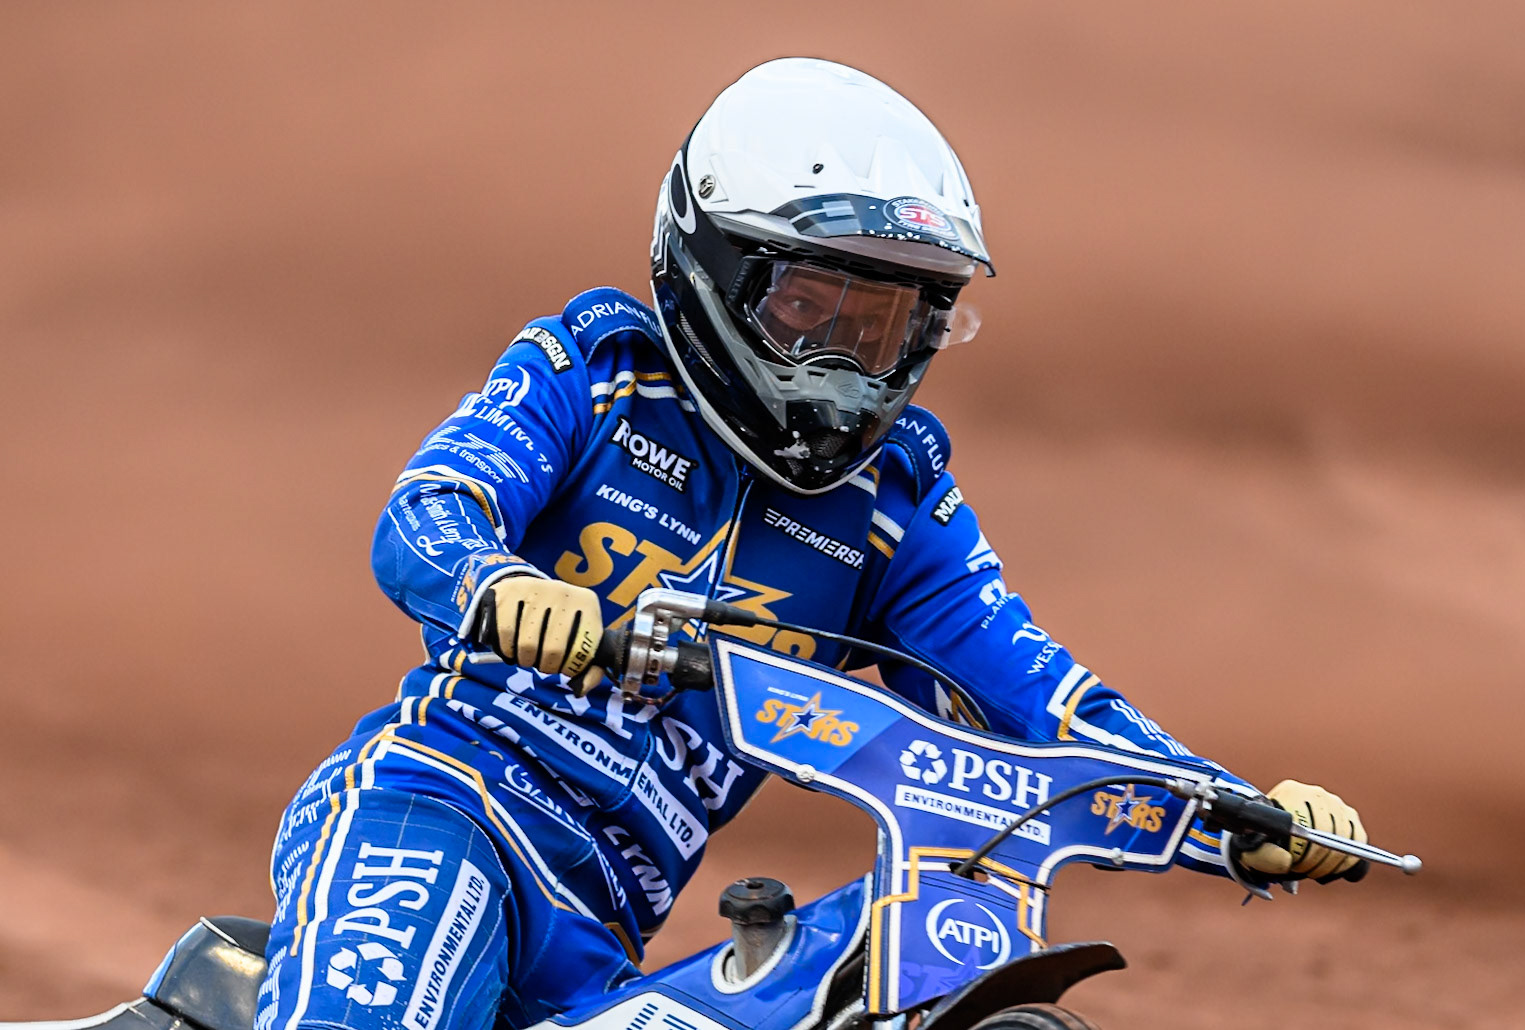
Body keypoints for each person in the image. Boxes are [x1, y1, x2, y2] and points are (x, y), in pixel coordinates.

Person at [256, 58, 1367, 1030]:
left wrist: (1232, 811)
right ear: (712, 264)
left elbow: (1038, 696)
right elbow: (428, 510)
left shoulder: (894, 505)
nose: (842, 365)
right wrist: (497, 583)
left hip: (603, 924)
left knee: (870, 948)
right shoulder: (597, 373)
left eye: (881, 328)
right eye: (809, 310)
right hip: (443, 809)